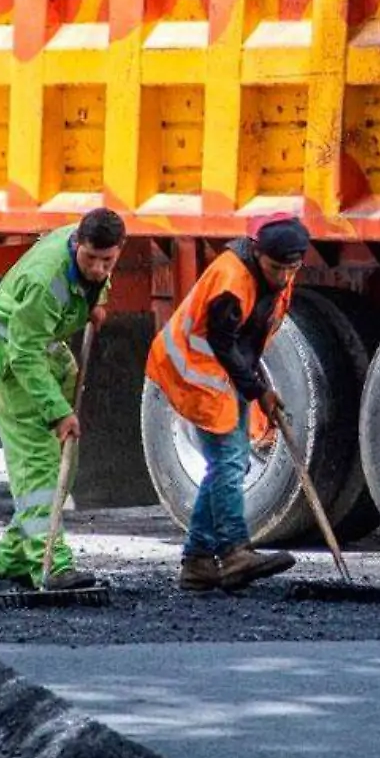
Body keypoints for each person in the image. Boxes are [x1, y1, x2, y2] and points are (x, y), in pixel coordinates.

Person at [146, 214, 309, 592]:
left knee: (225, 462)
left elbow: (251, 339)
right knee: (229, 461)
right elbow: (224, 343)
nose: (283, 277)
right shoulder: (231, 280)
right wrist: (258, 391)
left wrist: (255, 387)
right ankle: (233, 551)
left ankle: (199, 561)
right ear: (256, 253)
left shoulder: (276, 269)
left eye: (292, 269)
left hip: (222, 369)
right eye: (276, 268)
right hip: (195, 369)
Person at [0, 208, 124, 591]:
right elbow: (22, 354)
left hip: (45, 350)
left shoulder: (91, 258)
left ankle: (11, 557)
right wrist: (58, 412)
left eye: (106, 261)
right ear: (77, 243)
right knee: (39, 465)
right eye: (90, 259)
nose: (97, 268)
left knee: (63, 463)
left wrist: (94, 303)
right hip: (12, 357)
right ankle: (52, 563)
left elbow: (91, 286)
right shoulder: (47, 282)